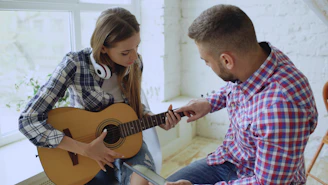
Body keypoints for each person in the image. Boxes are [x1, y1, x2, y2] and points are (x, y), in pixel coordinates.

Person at [18, 7, 181, 185]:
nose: (134, 57)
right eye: (125, 52)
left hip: (129, 142)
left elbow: (134, 109)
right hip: (83, 152)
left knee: (142, 181)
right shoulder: (75, 64)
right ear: (103, 48)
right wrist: (85, 149)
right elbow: (28, 120)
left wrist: (154, 119)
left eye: (136, 47)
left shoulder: (134, 63)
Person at [166, 4, 318, 185]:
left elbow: (266, 183)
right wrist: (209, 103)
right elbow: (237, 86)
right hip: (231, 160)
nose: (207, 65)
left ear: (226, 60)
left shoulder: (280, 107)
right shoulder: (260, 57)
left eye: (206, 61)